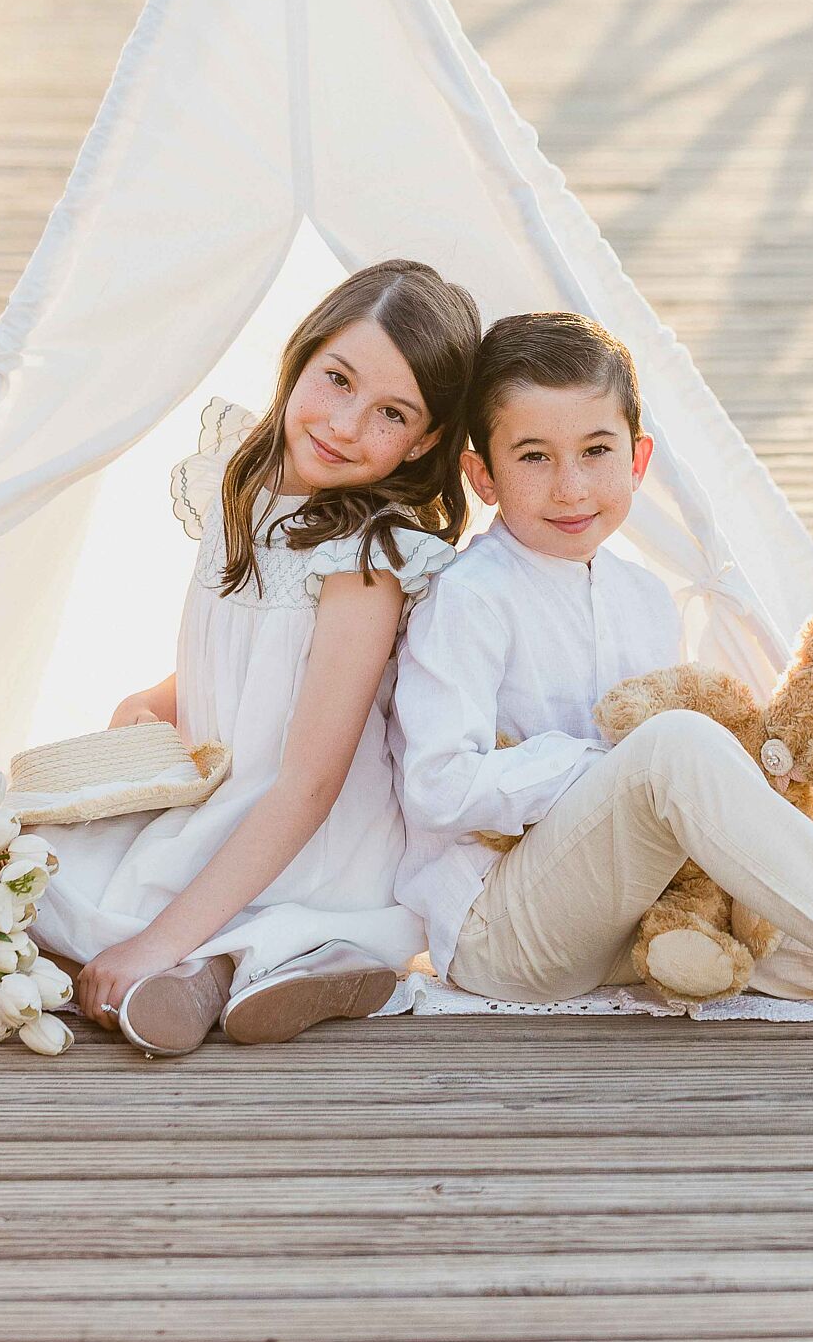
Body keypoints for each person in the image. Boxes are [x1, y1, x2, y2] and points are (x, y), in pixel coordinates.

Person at [391, 310, 813, 1087]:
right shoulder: (469, 599)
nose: (571, 485)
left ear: (638, 460)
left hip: (639, 916)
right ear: (483, 476)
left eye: (596, 451)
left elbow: (658, 790)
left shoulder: (642, 595)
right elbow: (438, 785)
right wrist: (608, 766)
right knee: (675, 744)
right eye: (534, 456)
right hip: (507, 933)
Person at [34, 258, 480, 1055]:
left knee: (131, 922)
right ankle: (228, 965)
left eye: (389, 413)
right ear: (299, 358)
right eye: (336, 379)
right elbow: (243, 659)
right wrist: (158, 702)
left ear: (426, 442)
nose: (345, 425)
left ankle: (243, 963)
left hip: (312, 831)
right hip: (226, 792)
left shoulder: (365, 560)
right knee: (34, 861)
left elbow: (309, 782)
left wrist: (154, 942)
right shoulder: (241, 483)